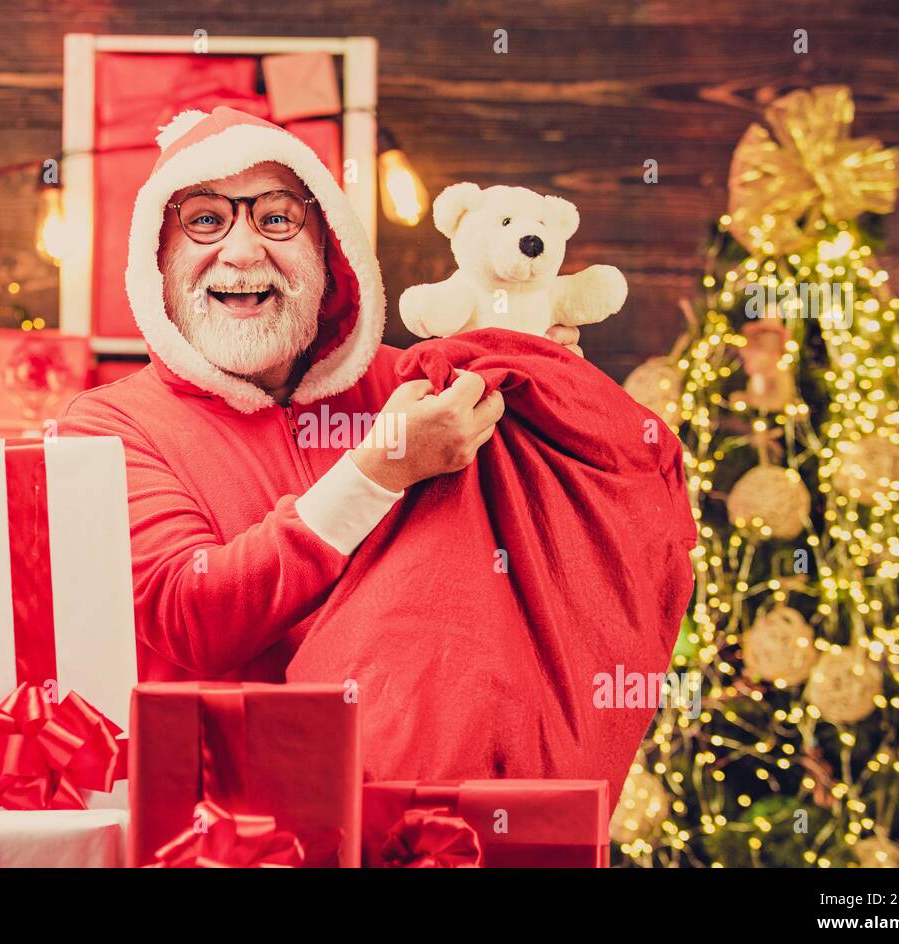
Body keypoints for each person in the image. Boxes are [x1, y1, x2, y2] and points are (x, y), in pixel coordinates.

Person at [59, 107, 580, 680]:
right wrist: (378, 473)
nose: (242, 252)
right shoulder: (106, 429)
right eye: (205, 220)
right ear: (157, 261)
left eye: (277, 218)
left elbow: (544, 553)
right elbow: (190, 618)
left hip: (412, 765)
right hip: (222, 767)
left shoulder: (416, 386)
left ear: (330, 253)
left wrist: (545, 398)